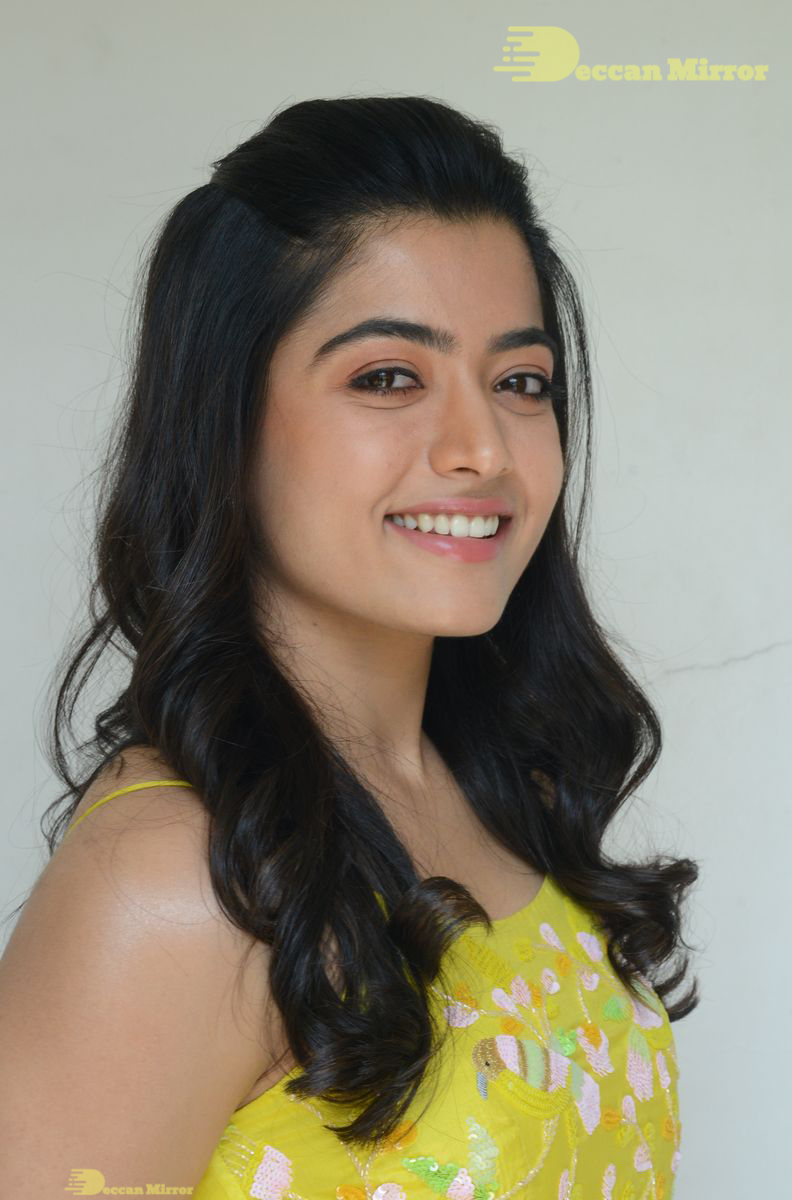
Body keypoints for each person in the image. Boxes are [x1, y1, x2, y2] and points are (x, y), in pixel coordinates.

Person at [0, 95, 699, 1197]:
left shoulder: (510, 796)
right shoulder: (174, 878)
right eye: (387, 377)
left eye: (519, 383)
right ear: (224, 421)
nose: (481, 449)